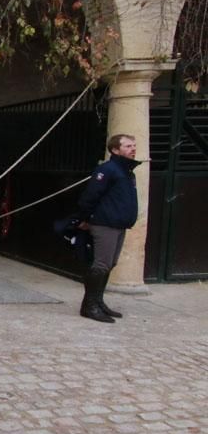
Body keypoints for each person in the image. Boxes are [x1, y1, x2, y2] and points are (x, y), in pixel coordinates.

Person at [75, 133, 140, 323]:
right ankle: (89, 306)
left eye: (134, 145)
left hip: (119, 224)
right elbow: (90, 195)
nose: (133, 149)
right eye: (128, 146)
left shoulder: (128, 172)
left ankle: (98, 301)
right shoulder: (108, 169)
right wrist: (84, 218)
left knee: (110, 263)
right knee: (101, 264)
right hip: (105, 223)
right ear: (115, 149)